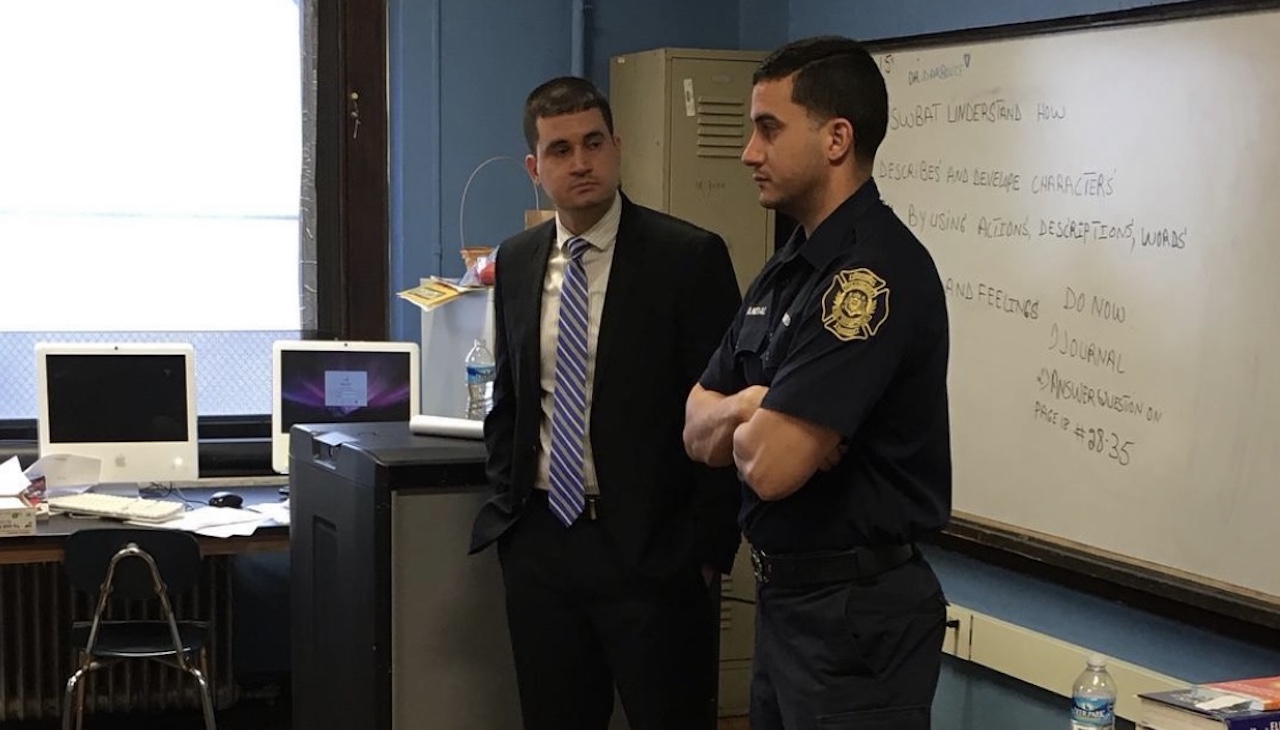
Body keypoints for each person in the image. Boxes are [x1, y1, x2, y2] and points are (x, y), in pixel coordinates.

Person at [683, 37, 952, 730]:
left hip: (857, 622)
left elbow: (769, 467)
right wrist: (754, 403)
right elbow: (694, 427)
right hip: (787, 603)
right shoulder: (789, 265)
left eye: (769, 129)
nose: (748, 151)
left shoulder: (871, 276)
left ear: (837, 139)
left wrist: (747, 421)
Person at [469, 76, 743, 730]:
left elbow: (722, 411)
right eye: (560, 150)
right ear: (537, 169)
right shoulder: (518, 259)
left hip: (651, 553)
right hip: (542, 544)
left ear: (618, 147)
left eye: (594, 143)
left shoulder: (688, 258)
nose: (581, 162)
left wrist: (705, 550)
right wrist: (512, 516)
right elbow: (509, 400)